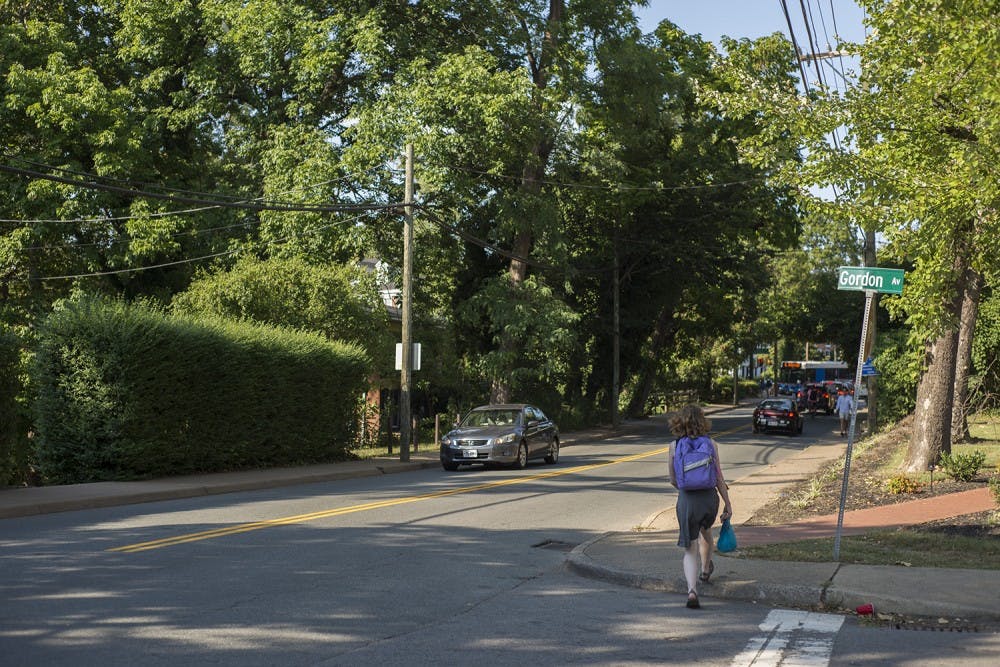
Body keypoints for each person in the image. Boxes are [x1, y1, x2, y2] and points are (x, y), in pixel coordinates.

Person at [667, 404, 733, 609]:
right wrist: (727, 503)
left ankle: (692, 591)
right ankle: (705, 569)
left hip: (687, 500)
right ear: (702, 422)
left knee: (690, 548)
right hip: (708, 499)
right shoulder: (711, 444)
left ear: (679, 422)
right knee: (706, 531)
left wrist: (686, 488)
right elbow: (719, 477)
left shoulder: (674, 446)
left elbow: (673, 479)